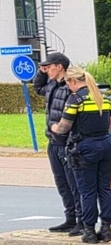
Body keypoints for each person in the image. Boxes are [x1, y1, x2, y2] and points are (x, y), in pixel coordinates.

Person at [50, 67, 111, 245]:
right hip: (105, 145)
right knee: (105, 189)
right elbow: (110, 124)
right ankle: (106, 229)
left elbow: (64, 127)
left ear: (73, 81)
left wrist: (54, 127)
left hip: (84, 147)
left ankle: (89, 231)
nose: (68, 87)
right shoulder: (104, 98)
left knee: (87, 191)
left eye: (68, 84)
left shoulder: (75, 99)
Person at [32, 53, 82, 235]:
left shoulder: (70, 87)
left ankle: (81, 220)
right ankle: (70, 218)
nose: (47, 70)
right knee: (61, 182)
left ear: (59, 66)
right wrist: (40, 72)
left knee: (73, 183)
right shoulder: (52, 85)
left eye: (49, 66)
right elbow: (37, 88)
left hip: (66, 143)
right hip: (53, 142)